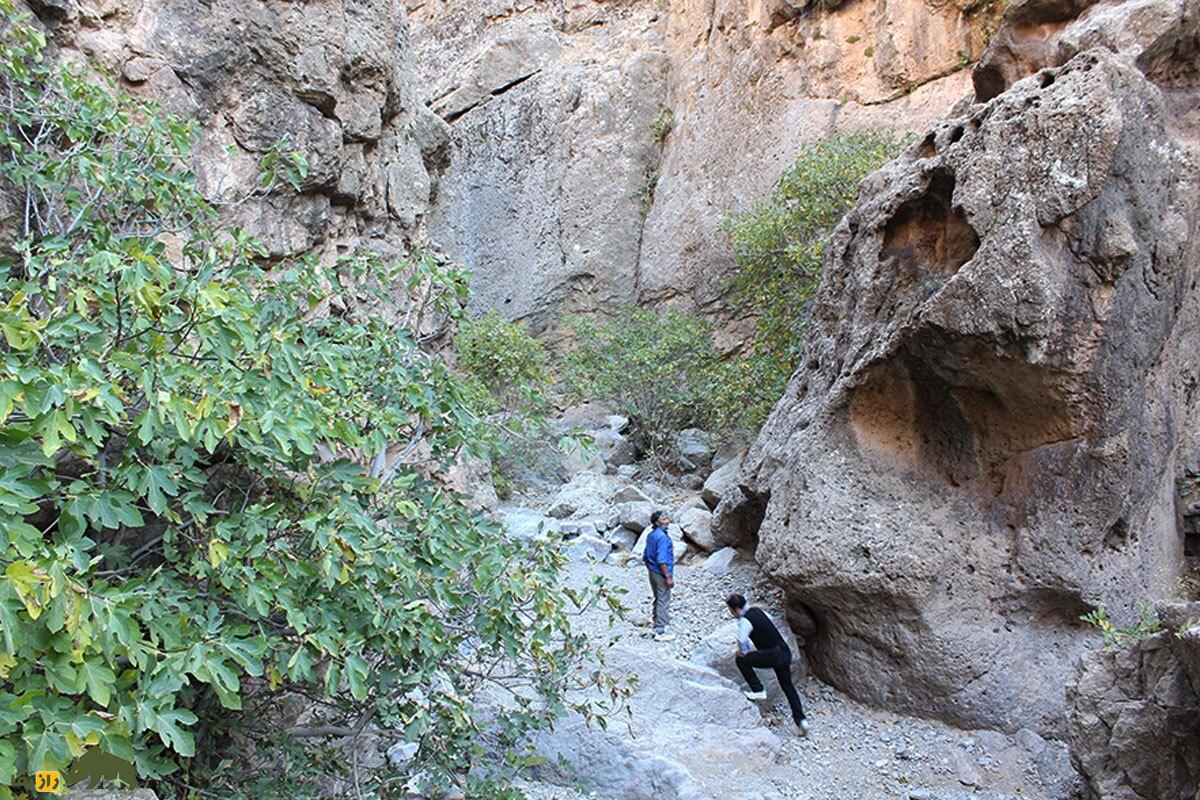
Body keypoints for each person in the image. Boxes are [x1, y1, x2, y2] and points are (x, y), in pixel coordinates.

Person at [726, 593, 809, 737]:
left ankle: (758, 689)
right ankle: (801, 720)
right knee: (787, 686)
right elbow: (770, 623)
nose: (732, 614)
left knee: (741, 661)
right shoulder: (758, 611)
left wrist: (743, 652)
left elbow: (742, 639)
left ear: (737, 610)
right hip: (784, 652)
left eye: (731, 610)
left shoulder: (745, 620)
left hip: (772, 655)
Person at [642, 511, 676, 642]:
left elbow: (645, 555)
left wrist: (651, 569)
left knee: (658, 597)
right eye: (664, 519)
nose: (667, 521)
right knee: (663, 598)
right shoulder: (662, 537)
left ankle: (656, 622)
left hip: (653, 571)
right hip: (661, 571)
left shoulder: (651, 535)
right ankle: (660, 630)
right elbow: (661, 559)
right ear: (657, 523)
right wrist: (668, 576)